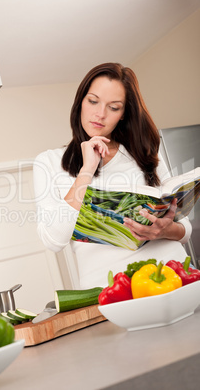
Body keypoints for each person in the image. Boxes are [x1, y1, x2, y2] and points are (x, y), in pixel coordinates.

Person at [33, 63, 192, 289]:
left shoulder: (144, 152)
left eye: (114, 107)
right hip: (109, 290)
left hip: (172, 275)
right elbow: (53, 239)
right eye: (93, 101)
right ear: (80, 102)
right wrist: (86, 171)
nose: (100, 114)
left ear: (123, 114)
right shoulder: (48, 162)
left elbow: (185, 229)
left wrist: (165, 230)